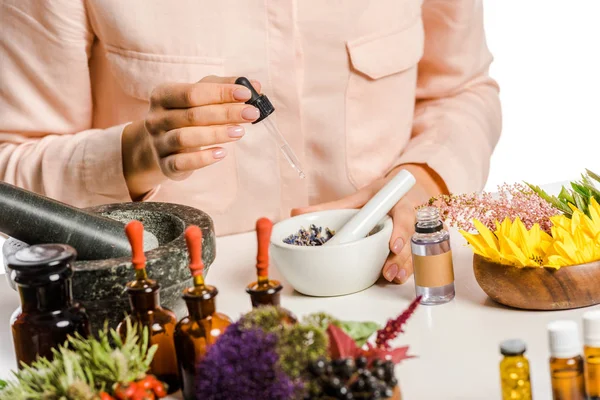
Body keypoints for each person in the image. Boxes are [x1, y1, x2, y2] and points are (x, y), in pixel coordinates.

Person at [0, 1, 501, 284]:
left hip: (395, 293)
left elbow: (462, 90)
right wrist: (133, 156)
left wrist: (424, 181)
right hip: (178, 322)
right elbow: (11, 167)